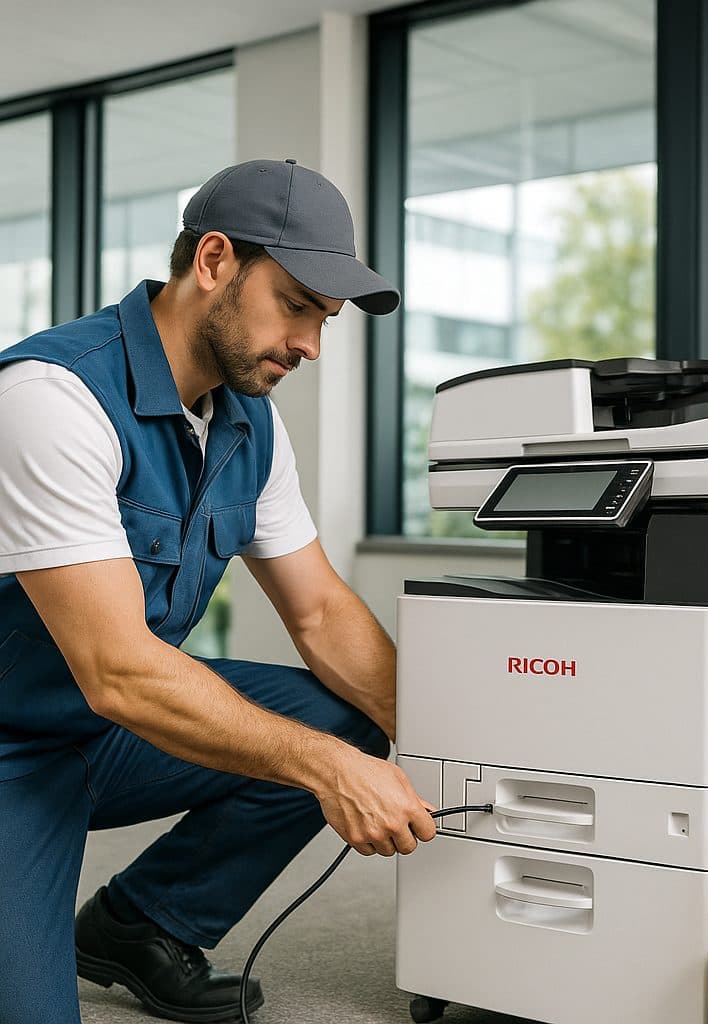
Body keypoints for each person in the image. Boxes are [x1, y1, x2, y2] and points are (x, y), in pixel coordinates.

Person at [0, 158, 438, 1024]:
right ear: (213, 261)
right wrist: (331, 771)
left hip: (105, 733)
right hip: (16, 741)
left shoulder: (249, 422)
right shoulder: (52, 398)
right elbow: (120, 670)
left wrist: (438, 742)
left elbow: (318, 612)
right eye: (299, 306)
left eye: (327, 319)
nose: (311, 344)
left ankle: (140, 925)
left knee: (339, 716)